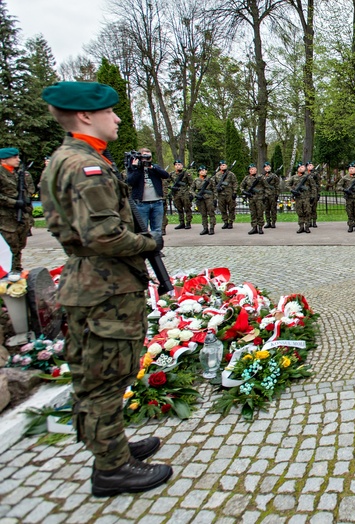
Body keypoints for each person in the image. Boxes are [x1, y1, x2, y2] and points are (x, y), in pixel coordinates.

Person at [40, 81, 172, 496]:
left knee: (106, 374)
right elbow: (104, 236)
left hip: (97, 284)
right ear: (85, 116)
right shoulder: (84, 165)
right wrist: (150, 242)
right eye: (110, 112)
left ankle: (113, 449)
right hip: (104, 287)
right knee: (105, 378)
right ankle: (111, 470)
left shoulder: (75, 158)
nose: (117, 119)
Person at [0, 147, 35, 273]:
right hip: (5, 219)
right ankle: (8, 272)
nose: (18, 160)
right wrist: (14, 202)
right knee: (9, 248)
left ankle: (17, 270)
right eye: (14, 157)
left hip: (20, 217)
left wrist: (26, 200)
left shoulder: (18, 173)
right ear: (3, 160)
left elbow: (27, 189)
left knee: (19, 246)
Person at [125, 147, 169, 244]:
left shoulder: (154, 167)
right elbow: (130, 182)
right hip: (141, 204)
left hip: (157, 202)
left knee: (157, 229)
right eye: (144, 156)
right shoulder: (134, 168)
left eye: (149, 157)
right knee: (142, 229)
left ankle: (157, 249)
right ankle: (144, 250)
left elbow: (165, 175)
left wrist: (152, 167)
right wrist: (137, 168)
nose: (147, 159)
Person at [285, 162, 313, 233]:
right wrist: (292, 191)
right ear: (298, 169)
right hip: (298, 197)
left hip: (306, 197)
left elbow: (313, 187)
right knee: (299, 212)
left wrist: (312, 196)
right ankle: (301, 227)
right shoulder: (294, 177)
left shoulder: (308, 177)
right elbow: (287, 184)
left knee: (307, 212)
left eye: (303, 167)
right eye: (300, 167)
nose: (301, 168)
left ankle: (307, 227)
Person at [337, 162, 355, 232]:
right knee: (350, 212)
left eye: (352, 168)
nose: (351, 170)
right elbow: (338, 186)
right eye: (350, 168)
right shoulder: (345, 178)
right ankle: (351, 226)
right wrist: (345, 190)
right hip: (349, 198)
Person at [240, 164, 266, 234]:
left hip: (259, 198)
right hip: (251, 198)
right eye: (250, 169)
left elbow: (266, 186)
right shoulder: (246, 178)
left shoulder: (260, 177)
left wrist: (264, 195)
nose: (251, 170)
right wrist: (245, 192)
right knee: (253, 213)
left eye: (253, 169)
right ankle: (254, 227)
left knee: (260, 213)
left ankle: (260, 227)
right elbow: (241, 186)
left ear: (256, 169)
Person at [191, 166, 216, 235]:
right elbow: (191, 190)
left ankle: (211, 228)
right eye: (201, 170)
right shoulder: (196, 180)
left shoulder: (210, 179)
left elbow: (214, 189)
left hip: (209, 198)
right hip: (200, 198)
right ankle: (205, 228)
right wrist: (196, 195)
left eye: (204, 170)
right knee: (203, 214)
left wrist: (215, 199)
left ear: (206, 171)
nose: (203, 172)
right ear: (199, 172)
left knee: (211, 213)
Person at [214, 160, 237, 229]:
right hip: (221, 194)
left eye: (224, 165)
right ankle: (225, 222)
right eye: (221, 165)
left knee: (231, 208)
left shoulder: (231, 174)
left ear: (226, 166)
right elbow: (214, 184)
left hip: (229, 193)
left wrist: (235, 192)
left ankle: (230, 222)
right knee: (222, 208)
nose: (222, 166)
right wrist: (217, 189)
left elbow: (235, 183)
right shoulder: (217, 175)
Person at [170, 160, 193, 230]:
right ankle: (181, 222)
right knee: (179, 208)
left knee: (187, 208)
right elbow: (166, 181)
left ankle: (188, 222)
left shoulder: (186, 173)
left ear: (182, 166)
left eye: (179, 164)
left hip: (185, 194)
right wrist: (171, 187)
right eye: (176, 165)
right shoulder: (172, 174)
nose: (178, 166)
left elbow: (191, 184)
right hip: (176, 194)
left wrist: (191, 193)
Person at [262, 162, 280, 229]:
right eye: (266, 167)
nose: (267, 168)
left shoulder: (274, 176)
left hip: (272, 195)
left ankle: (273, 222)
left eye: (268, 167)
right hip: (265, 195)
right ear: (264, 168)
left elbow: (277, 186)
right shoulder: (262, 176)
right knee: (266, 209)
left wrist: (277, 194)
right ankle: (268, 222)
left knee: (273, 209)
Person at [307, 161, 320, 228]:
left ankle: (314, 221)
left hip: (314, 193)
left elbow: (318, 184)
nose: (310, 166)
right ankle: (309, 222)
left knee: (314, 209)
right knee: (308, 208)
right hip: (307, 194)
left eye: (311, 165)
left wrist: (318, 193)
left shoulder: (316, 174)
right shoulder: (305, 174)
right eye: (309, 165)